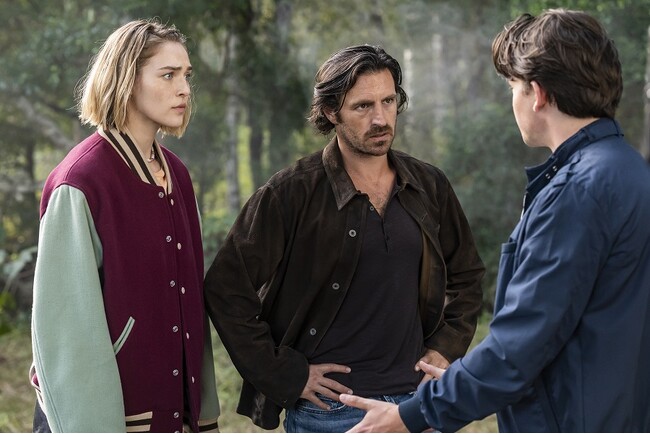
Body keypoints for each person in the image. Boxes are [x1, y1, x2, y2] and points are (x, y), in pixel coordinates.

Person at [340, 8, 650, 433]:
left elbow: (517, 349)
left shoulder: (577, 192)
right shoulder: (632, 172)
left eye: (513, 87)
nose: (513, 101)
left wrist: (410, 414)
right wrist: (464, 383)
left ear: (537, 94)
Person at [203, 44, 484, 432]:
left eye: (388, 101)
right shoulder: (290, 193)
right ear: (331, 111)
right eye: (363, 106)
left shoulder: (428, 184)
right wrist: (287, 373)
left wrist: (445, 348)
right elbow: (225, 288)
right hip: (330, 413)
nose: (380, 118)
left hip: (416, 405)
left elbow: (467, 276)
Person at [30, 19, 220, 432]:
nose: (184, 89)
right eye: (168, 75)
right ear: (126, 80)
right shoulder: (80, 182)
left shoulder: (178, 175)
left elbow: (190, 302)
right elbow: (67, 336)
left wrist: (204, 414)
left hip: (176, 415)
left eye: (186, 75)